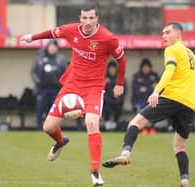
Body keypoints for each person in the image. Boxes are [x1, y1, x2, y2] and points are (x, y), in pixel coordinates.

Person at [21, 4, 126, 186]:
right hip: (71, 85)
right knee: (48, 127)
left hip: (93, 87)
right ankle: (60, 142)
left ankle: (95, 171)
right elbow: (53, 33)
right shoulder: (71, 30)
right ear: (80, 18)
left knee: (91, 123)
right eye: (84, 18)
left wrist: (119, 83)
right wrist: (33, 37)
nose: (87, 22)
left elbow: (121, 59)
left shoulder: (107, 38)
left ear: (97, 18)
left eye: (91, 18)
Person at [102, 22, 195, 187]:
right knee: (179, 147)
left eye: (168, 32)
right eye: (162, 33)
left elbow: (169, 70)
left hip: (171, 97)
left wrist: (156, 92)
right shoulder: (191, 55)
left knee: (135, 123)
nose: (164, 36)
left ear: (178, 34)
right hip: (189, 105)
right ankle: (185, 181)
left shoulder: (172, 49)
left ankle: (125, 153)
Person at [31, 39, 67, 131]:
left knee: (55, 111)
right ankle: (39, 128)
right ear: (47, 47)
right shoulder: (40, 58)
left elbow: (65, 74)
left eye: (54, 47)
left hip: (56, 90)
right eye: (50, 46)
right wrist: (38, 82)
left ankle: (55, 129)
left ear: (57, 48)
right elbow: (34, 72)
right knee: (40, 109)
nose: (52, 48)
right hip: (42, 89)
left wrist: (62, 84)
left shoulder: (61, 59)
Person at [131, 57, 159, 134]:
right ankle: (144, 128)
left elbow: (157, 88)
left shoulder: (154, 75)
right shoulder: (137, 76)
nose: (146, 68)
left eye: (147, 67)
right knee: (142, 109)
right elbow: (137, 91)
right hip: (140, 100)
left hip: (152, 99)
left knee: (155, 107)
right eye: (144, 67)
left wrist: (145, 88)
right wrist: (150, 87)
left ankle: (152, 128)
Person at [103, 60, 126, 131]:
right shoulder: (104, 79)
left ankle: (114, 124)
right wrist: (108, 99)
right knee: (105, 106)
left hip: (117, 101)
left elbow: (123, 92)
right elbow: (103, 92)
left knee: (119, 107)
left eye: (113, 68)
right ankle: (107, 124)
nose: (112, 70)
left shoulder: (120, 79)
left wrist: (117, 100)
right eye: (110, 69)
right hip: (107, 101)